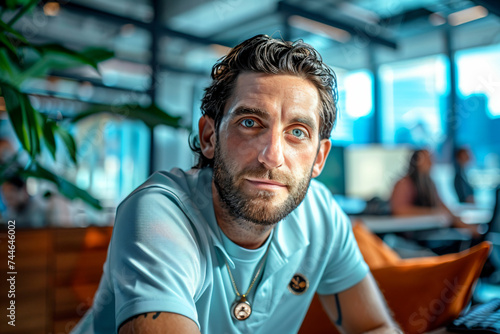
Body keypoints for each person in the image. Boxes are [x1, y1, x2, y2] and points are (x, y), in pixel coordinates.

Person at [72, 35, 399, 334]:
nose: (272, 156)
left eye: (297, 132)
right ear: (209, 137)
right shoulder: (158, 213)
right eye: (250, 123)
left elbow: (373, 327)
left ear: (319, 158)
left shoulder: (320, 214)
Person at [390, 149, 477, 234]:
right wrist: (433, 212)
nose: (432, 163)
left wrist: (461, 223)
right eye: (429, 159)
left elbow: (441, 206)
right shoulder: (405, 183)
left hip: (429, 229)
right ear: (417, 160)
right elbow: (399, 211)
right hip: (412, 234)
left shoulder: (429, 183)